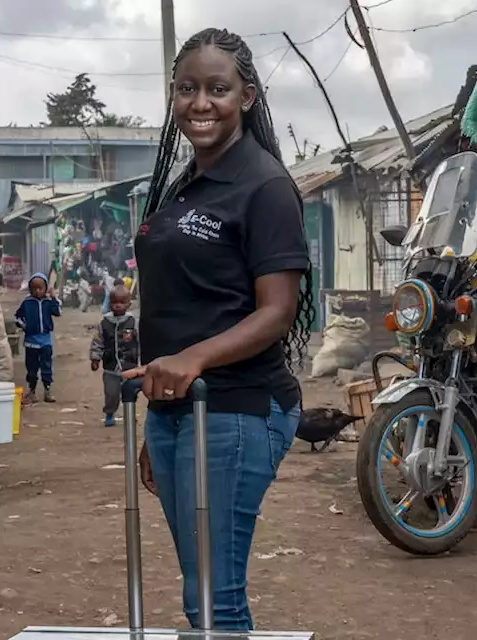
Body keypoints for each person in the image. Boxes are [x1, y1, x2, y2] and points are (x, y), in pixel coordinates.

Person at [123, 28, 316, 631]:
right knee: (199, 591)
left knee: (214, 597)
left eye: (217, 88)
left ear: (248, 97)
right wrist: (159, 417)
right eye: (186, 88)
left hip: (238, 409)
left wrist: (192, 363)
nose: (199, 103)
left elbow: (276, 311)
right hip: (180, 410)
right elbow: (178, 306)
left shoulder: (266, 186)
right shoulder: (183, 183)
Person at [90, 285, 140, 427]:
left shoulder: (133, 322)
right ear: (109, 303)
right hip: (110, 366)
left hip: (129, 366)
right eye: (114, 302)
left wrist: (142, 361)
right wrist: (95, 357)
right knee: (111, 393)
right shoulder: (104, 323)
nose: (117, 305)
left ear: (129, 304)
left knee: (130, 392)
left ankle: (130, 413)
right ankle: (109, 413)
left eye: (122, 302)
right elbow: (97, 341)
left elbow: (141, 341)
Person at [14, 273, 61, 403]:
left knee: (46, 366)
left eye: (40, 288)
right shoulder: (27, 302)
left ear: (46, 288)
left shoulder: (48, 302)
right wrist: (24, 326)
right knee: (32, 368)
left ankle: (47, 390)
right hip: (31, 342)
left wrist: (53, 297)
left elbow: (58, 312)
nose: (38, 291)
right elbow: (17, 316)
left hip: (45, 340)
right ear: (30, 289)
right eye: (34, 288)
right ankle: (32, 391)